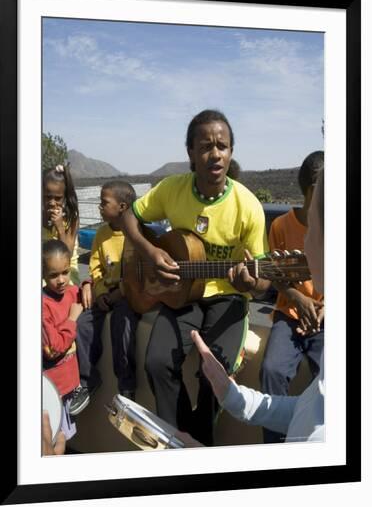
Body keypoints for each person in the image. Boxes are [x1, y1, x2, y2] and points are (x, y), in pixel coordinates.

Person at [121, 109, 271, 445]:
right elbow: (130, 216)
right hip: (183, 294)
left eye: (223, 146)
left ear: (231, 152)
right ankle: (175, 438)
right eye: (205, 146)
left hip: (229, 297)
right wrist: (148, 251)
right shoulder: (171, 189)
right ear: (190, 152)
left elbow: (264, 280)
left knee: (214, 376)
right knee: (157, 362)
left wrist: (250, 283)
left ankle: (198, 447)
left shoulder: (247, 206)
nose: (215, 153)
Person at [188, 168, 325, 444]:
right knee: (272, 369)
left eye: (313, 225)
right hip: (289, 316)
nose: (303, 247)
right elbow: (309, 411)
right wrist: (232, 396)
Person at [260, 151, 325, 443]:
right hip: (289, 316)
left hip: (325, 318)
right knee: (271, 370)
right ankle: (277, 450)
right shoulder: (281, 226)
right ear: (313, 189)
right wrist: (298, 299)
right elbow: (274, 274)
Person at [75, 181, 140, 402]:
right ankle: (87, 380)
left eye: (104, 203)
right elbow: (96, 267)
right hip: (106, 293)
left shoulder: (136, 234)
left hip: (127, 295)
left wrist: (116, 294)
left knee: (121, 326)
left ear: (122, 207)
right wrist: (101, 293)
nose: (99, 207)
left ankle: (126, 386)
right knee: (83, 325)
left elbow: (137, 275)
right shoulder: (101, 234)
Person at [42, 239, 86, 438]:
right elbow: (53, 349)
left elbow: (84, 290)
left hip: (70, 387)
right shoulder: (42, 305)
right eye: (53, 275)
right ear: (42, 274)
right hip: (54, 390)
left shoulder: (71, 291)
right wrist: (72, 319)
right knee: (54, 440)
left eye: (65, 272)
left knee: (64, 439)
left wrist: (87, 284)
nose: (61, 280)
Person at [42, 164, 80, 285]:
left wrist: (60, 228)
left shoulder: (72, 218)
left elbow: (67, 254)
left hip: (66, 271)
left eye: (57, 198)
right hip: (46, 271)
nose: (52, 203)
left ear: (65, 198)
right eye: (48, 197)